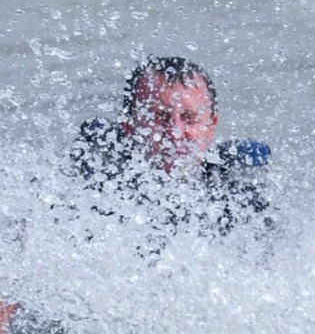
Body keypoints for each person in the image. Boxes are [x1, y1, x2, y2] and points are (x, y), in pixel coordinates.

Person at [66, 55, 272, 239]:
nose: (175, 132)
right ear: (128, 126)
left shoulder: (237, 199)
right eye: (160, 117)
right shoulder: (95, 193)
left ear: (210, 127)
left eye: (189, 118)